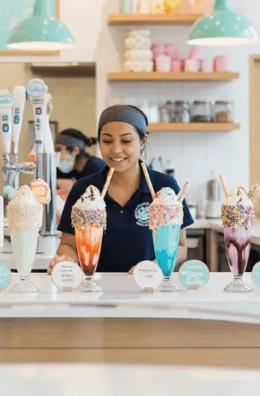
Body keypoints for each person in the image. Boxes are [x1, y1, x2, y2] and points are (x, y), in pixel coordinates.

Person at [49, 105, 193, 272]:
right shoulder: (84, 190)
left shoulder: (164, 188)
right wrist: (65, 261)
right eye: (107, 141)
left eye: (126, 140)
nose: (116, 150)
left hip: (149, 290)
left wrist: (154, 267)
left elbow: (181, 247)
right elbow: (69, 245)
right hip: (97, 293)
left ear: (143, 141)